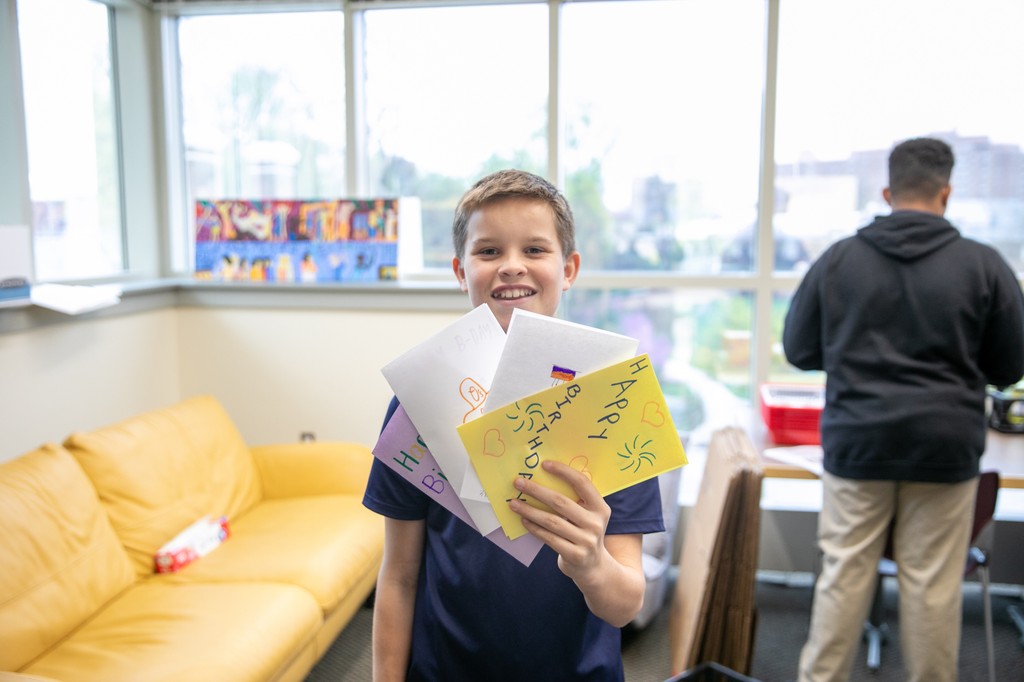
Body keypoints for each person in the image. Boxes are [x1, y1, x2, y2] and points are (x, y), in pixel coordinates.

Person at [362, 169, 664, 681]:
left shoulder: (617, 400)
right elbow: (399, 579)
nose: (511, 267)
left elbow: (624, 604)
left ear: (568, 268)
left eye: (534, 250)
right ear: (460, 270)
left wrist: (592, 563)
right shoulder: (418, 401)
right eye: (488, 252)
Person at [783, 137, 1024, 682]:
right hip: (946, 448)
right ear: (947, 193)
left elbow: (799, 351)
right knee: (932, 589)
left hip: (857, 445)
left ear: (888, 192)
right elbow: (1010, 367)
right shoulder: (984, 265)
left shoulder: (839, 259)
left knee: (844, 577)